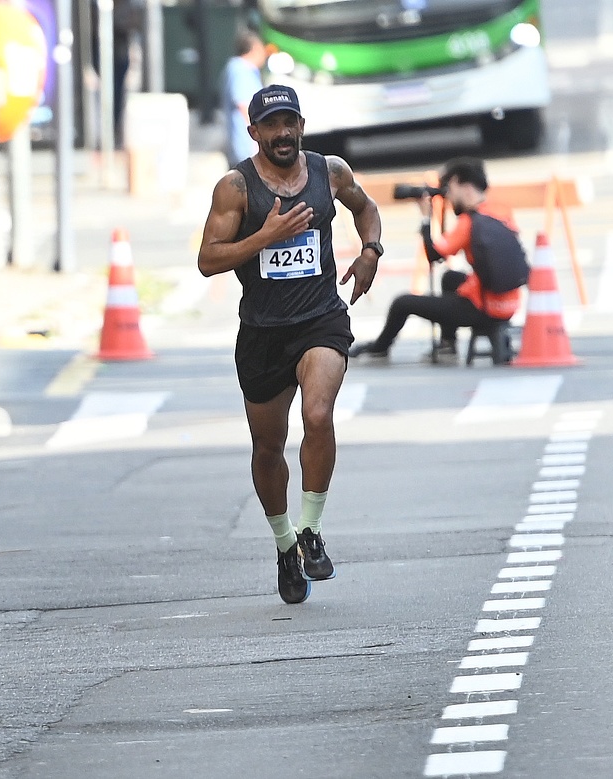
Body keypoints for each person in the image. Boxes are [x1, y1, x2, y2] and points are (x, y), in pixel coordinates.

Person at [196, 85, 383, 605]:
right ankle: (284, 546)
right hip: (262, 331)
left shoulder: (330, 172)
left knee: (318, 415)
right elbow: (208, 260)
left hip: (320, 319)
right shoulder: (235, 188)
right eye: (271, 125)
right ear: (254, 132)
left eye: (290, 123)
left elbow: (366, 210)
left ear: (301, 125)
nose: (282, 134)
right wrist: (265, 236)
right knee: (267, 447)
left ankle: (311, 531)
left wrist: (371, 250)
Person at [349, 157, 527, 361]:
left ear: (462, 184)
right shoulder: (501, 211)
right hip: (508, 304)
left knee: (403, 303)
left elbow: (434, 254)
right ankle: (447, 345)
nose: (449, 198)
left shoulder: (469, 222)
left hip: (483, 308)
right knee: (450, 278)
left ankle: (379, 349)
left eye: (450, 189)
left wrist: (426, 218)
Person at [221, 28, 268, 167]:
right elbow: (244, 106)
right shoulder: (241, 70)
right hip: (246, 145)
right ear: (254, 49)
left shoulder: (238, 69)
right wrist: (258, 138)